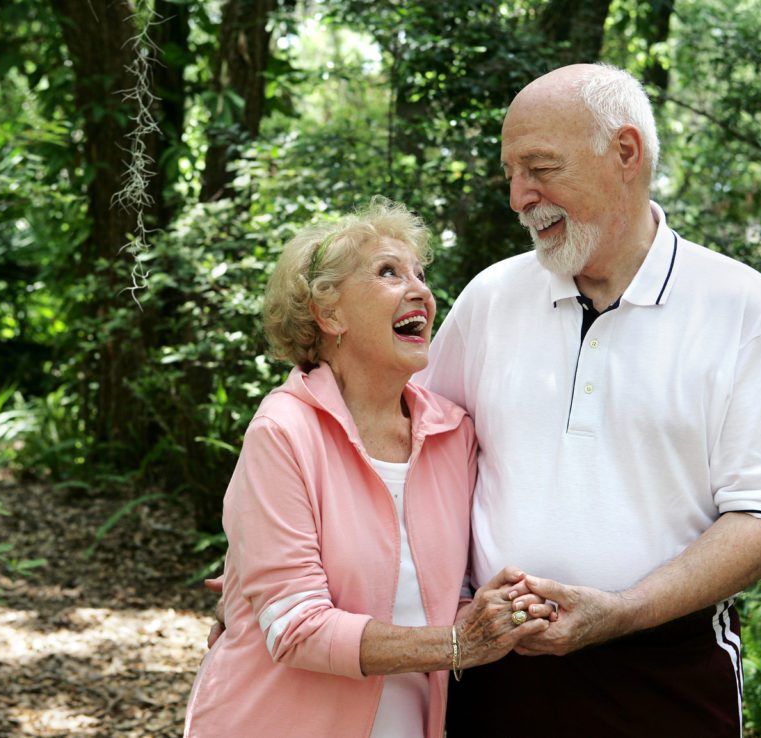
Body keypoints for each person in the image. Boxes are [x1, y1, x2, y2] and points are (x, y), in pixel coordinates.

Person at [419, 63, 761, 736]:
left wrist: (621, 609)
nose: (519, 197)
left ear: (625, 153)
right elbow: (412, 456)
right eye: (511, 173)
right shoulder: (491, 299)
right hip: (495, 669)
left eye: (541, 168)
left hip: (668, 671)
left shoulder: (737, 303)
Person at [183, 198, 550, 738]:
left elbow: (451, 592)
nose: (420, 290)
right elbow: (295, 628)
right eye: (388, 272)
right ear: (328, 314)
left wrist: (504, 610)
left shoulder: (453, 434)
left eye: (421, 275)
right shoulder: (283, 432)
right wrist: (456, 645)